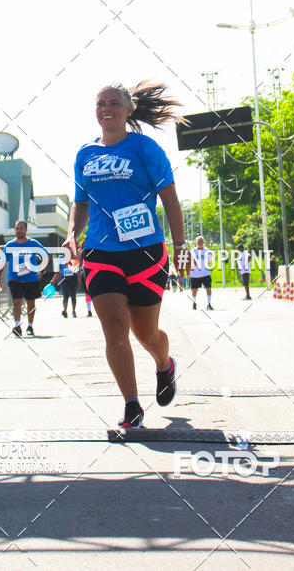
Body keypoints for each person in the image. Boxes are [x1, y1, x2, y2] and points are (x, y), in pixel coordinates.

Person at [64, 80, 190, 429]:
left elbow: (170, 199)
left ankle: (164, 365)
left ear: (128, 109)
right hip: (101, 252)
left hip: (146, 251)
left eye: (114, 103)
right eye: (100, 103)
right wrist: (71, 235)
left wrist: (180, 246)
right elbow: (80, 203)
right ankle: (132, 404)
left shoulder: (145, 149)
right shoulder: (84, 155)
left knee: (145, 334)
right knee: (114, 329)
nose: (106, 109)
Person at [0, 219, 48, 337]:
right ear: (15, 230)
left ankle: (30, 325)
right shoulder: (10, 245)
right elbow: (2, 263)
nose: (19, 230)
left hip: (31, 278)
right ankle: (17, 325)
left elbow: (46, 255)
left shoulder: (33, 243)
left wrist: (42, 271)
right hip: (15, 278)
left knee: (31, 303)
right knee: (16, 302)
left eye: (21, 228)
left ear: (26, 230)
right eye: (17, 228)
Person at [51, 253, 79, 318]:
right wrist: (53, 280)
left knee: (73, 295)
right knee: (65, 295)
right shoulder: (60, 258)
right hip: (64, 278)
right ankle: (65, 311)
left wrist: (79, 277)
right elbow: (57, 271)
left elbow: (77, 267)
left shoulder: (73, 257)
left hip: (73, 277)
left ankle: (73, 311)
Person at [190, 236, 214, 310]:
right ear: (196, 242)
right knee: (194, 289)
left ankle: (209, 304)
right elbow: (191, 261)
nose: (200, 243)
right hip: (195, 274)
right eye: (198, 241)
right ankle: (194, 302)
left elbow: (208, 261)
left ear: (204, 242)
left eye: (201, 241)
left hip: (205, 273)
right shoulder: (192, 251)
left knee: (208, 288)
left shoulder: (207, 251)